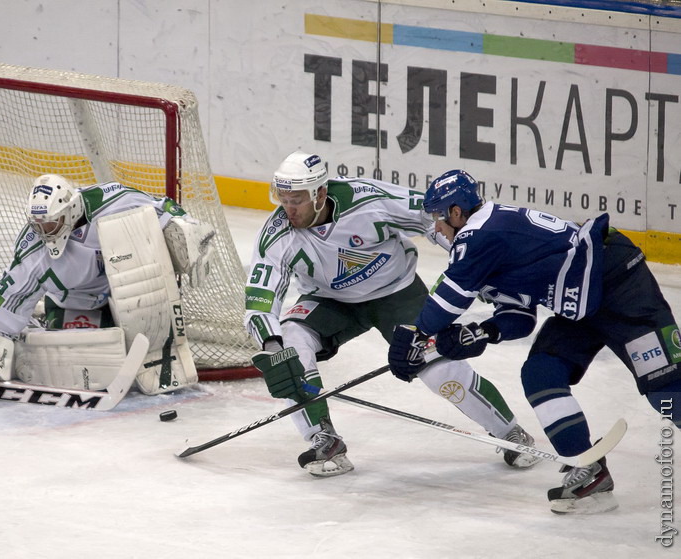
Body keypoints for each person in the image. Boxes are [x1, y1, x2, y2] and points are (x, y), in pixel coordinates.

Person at [388, 169, 681, 513]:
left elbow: (450, 296)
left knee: (667, 391)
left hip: (619, 285)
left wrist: (418, 334)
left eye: (439, 216)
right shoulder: (485, 250)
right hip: (580, 304)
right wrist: (483, 333)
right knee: (541, 373)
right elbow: (519, 317)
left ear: (456, 212)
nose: (435, 227)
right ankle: (588, 472)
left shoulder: (479, 233)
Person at [244, 151, 540, 477]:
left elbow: (437, 220)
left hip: (397, 293)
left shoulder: (370, 200)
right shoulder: (277, 236)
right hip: (329, 302)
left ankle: (510, 431)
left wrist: (472, 267)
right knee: (290, 343)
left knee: (439, 371)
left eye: (297, 199)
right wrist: (272, 348)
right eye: (283, 198)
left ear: (321, 193)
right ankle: (323, 438)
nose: (289, 208)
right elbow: (261, 300)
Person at [0, 173, 215, 401]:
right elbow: (4, 297)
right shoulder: (34, 250)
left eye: (50, 223)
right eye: (37, 225)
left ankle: (159, 343)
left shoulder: (112, 201)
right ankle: (35, 335)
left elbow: (163, 207)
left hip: (126, 295)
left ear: (69, 210)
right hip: (71, 304)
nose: (44, 232)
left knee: (137, 327)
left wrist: (186, 228)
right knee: (90, 365)